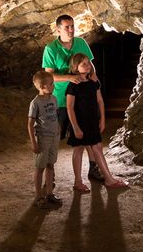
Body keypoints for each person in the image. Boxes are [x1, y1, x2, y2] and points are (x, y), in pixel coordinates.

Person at [42, 14, 104, 182]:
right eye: (67, 27)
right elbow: (48, 77)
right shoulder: (51, 49)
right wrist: (69, 78)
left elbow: (90, 64)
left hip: (82, 99)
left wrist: (95, 81)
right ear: (58, 29)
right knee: (56, 137)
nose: (71, 30)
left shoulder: (81, 43)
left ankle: (93, 168)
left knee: (88, 135)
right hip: (61, 99)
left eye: (72, 26)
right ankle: (50, 171)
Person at [66, 53, 128, 191]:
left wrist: (103, 119)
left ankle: (109, 179)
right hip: (80, 123)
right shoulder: (73, 85)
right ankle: (78, 182)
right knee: (78, 149)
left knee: (97, 148)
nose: (87, 66)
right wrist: (75, 127)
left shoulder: (94, 82)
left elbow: (100, 101)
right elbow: (70, 108)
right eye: (83, 64)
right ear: (75, 67)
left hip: (93, 122)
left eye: (88, 63)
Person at [27, 71, 62, 209]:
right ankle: (38, 196)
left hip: (54, 137)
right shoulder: (35, 103)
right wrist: (33, 142)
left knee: (50, 165)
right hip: (43, 138)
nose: (53, 85)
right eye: (51, 83)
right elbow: (30, 123)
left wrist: (57, 126)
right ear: (42, 86)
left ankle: (49, 193)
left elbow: (55, 114)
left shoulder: (53, 99)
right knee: (40, 167)